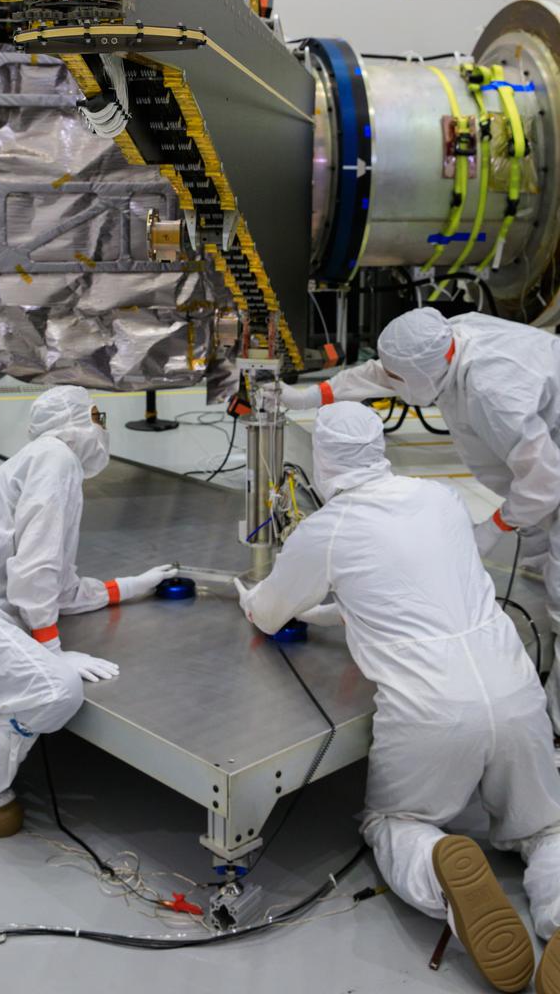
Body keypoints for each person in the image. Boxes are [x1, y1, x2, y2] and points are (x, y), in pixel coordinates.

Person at [236, 402, 560, 994]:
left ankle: (437, 869)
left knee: (396, 820)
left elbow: (271, 613)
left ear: (323, 459)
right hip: (514, 687)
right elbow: (409, 589)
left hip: (431, 709)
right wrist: (341, 611)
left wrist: (250, 597)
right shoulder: (438, 498)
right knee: (546, 825)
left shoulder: (327, 529)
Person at [0, 386, 176, 837]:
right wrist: (51, 652)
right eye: (96, 416)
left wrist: (128, 587)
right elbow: (35, 570)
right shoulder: (55, 458)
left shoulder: (42, 460)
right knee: (54, 690)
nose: (101, 427)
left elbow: (57, 586)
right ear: (76, 422)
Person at [281, 308, 560, 734]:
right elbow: (385, 372)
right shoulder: (443, 341)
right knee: (541, 551)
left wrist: (494, 528)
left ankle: (555, 729)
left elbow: (544, 483)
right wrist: (309, 397)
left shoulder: (493, 389)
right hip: (541, 471)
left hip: (548, 477)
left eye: (399, 377)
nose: (389, 379)